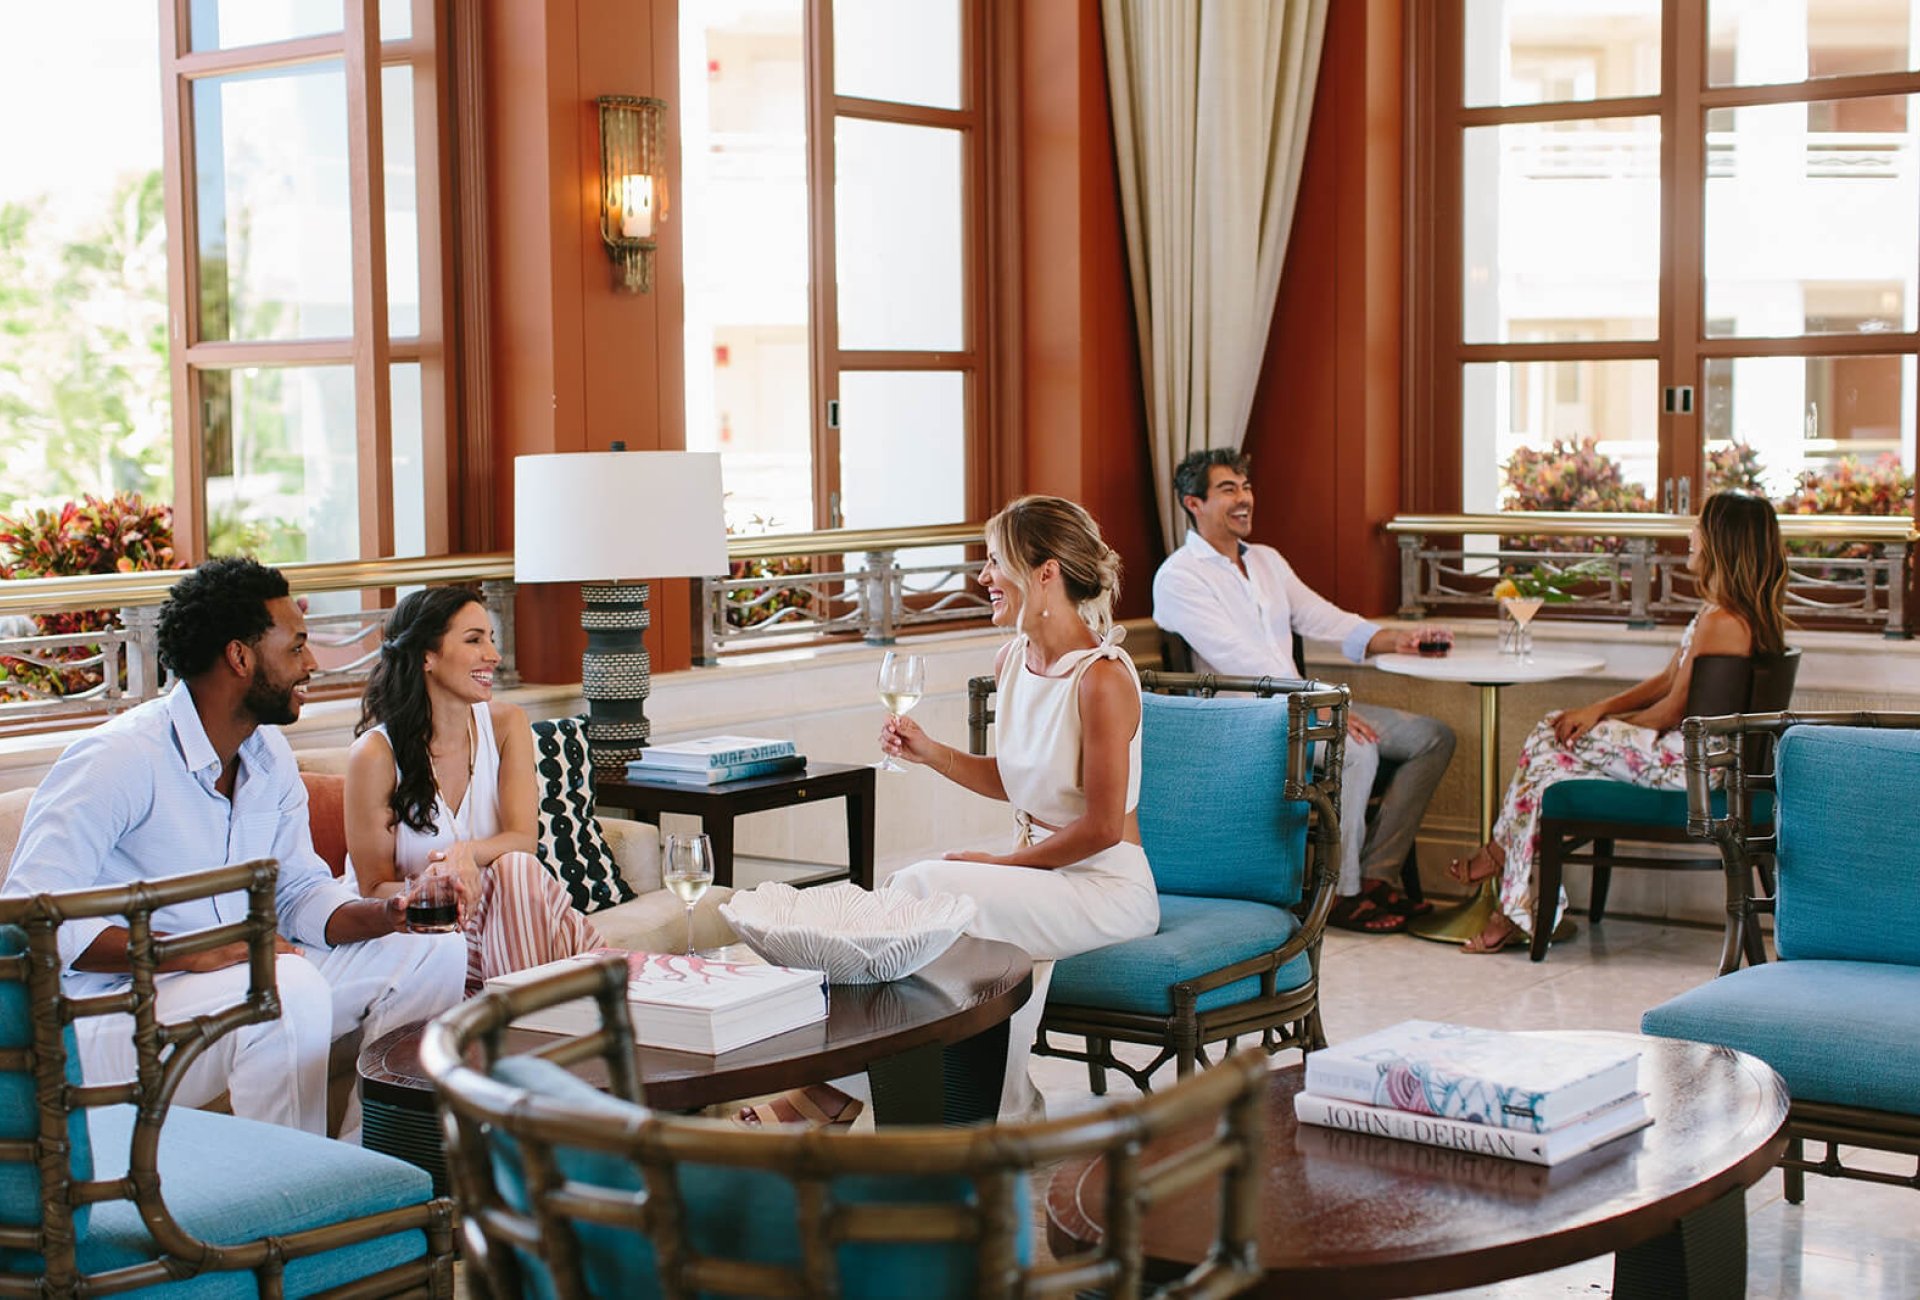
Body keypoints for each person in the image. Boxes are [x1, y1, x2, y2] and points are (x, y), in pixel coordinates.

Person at [2, 557, 465, 1137]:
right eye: (296, 646)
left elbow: (297, 893)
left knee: (433, 949)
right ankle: (292, 1200)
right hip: (109, 1018)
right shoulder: (118, 759)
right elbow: (27, 920)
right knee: (279, 985)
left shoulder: (266, 757)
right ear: (240, 657)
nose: (312, 664)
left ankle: (372, 1163)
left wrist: (386, 914)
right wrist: (190, 950)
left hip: (227, 991)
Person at [882, 495, 1161, 1118]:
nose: (983, 577)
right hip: (1044, 879)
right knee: (928, 911)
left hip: (1106, 890)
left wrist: (999, 867)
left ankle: (834, 1099)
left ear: (1045, 572)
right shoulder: (1011, 659)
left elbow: (1100, 829)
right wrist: (930, 751)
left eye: (994, 561)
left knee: (922, 884)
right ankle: (978, 1104)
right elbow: (1016, 779)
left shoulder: (1103, 678)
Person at [1448, 490, 1790, 954]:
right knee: (1551, 765)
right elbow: (1668, 679)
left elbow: (1671, 712)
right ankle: (1510, 898)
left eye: (1699, 528)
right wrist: (1601, 712)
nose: (1691, 536)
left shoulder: (1724, 621)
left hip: (1688, 767)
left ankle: (1502, 864)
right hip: (1687, 756)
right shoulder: (1720, 613)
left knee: (1551, 733)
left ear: (1722, 543)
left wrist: (1605, 723)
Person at [1151, 448, 1457, 934]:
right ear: (1194, 504)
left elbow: (1321, 616)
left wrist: (1393, 638)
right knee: (1355, 751)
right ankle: (1340, 893)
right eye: (1228, 489)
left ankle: (1377, 874)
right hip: (1245, 724)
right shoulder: (1178, 577)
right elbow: (1237, 660)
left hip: (1305, 706)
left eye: (1246, 487)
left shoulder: (1267, 561)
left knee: (1433, 737)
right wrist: (1320, 703)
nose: (1244, 498)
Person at [346, 587, 603, 993]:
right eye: (474, 640)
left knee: (516, 870)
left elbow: (524, 841)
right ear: (426, 656)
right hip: (427, 933)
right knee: (522, 883)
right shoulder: (375, 755)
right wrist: (443, 883)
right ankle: (539, 1025)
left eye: (491, 639)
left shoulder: (505, 724)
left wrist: (464, 853)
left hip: (511, 916)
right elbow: (373, 889)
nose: (493, 656)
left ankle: (517, 1026)